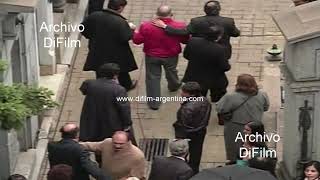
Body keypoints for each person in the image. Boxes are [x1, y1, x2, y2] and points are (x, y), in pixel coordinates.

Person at [132, 5, 189, 110]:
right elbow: (185, 40)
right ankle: (174, 85)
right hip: (171, 55)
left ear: (157, 15)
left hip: (152, 55)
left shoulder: (146, 26)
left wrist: (134, 31)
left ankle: (154, 103)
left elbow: (137, 40)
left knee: (152, 78)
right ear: (171, 14)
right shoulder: (179, 26)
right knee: (171, 71)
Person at [152, 0, 240, 60]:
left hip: (201, 52)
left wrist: (165, 26)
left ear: (205, 10)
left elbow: (183, 32)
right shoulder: (228, 21)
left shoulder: (196, 21)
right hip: (222, 52)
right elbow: (236, 33)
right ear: (219, 9)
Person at [81, 0, 138, 91]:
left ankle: (101, 87)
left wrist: (91, 37)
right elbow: (125, 37)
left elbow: (83, 28)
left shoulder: (94, 15)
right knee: (121, 70)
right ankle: (126, 85)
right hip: (116, 52)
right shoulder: (120, 21)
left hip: (97, 48)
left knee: (100, 68)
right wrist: (131, 29)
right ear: (120, 7)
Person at [216, 74, 269, 164]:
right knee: (256, 144)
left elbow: (220, 108)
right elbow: (266, 107)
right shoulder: (262, 94)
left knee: (234, 147)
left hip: (235, 126)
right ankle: (255, 162)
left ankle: (234, 162)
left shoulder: (230, 97)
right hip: (255, 126)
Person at [182, 24, 230, 102]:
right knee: (218, 96)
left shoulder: (192, 41)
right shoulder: (220, 49)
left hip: (194, 76)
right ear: (219, 36)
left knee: (196, 99)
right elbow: (225, 67)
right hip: (214, 79)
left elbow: (186, 55)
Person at [173, 82, 211, 174]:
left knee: (182, 152)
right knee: (196, 152)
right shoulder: (205, 100)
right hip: (201, 130)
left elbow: (184, 122)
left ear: (192, 94)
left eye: (184, 92)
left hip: (187, 132)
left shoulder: (187, 108)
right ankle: (194, 171)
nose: (181, 94)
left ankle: (183, 170)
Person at [81, 131, 146, 180]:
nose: (117, 146)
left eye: (121, 144)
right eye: (115, 143)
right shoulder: (107, 143)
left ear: (128, 142)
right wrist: (75, 144)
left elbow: (136, 177)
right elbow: (91, 146)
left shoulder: (138, 156)